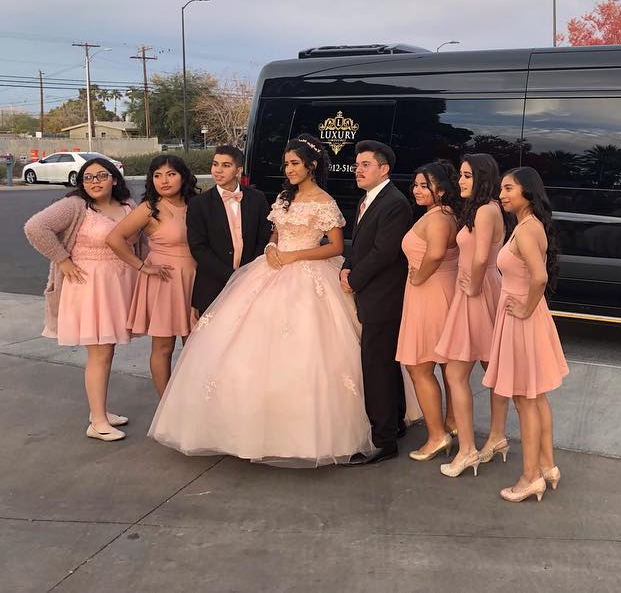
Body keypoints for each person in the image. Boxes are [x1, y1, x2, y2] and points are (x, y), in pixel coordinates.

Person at [148, 134, 372, 466]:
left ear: (311, 166)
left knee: (312, 353)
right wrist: (271, 248)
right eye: (286, 164)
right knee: (243, 346)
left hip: (309, 275)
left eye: (295, 163)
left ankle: (306, 435)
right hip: (270, 269)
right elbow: (275, 235)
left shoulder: (324, 201)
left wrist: (296, 257)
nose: (289, 169)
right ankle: (240, 428)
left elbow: (336, 247)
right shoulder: (283, 198)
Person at [24, 157, 143, 442]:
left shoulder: (127, 206)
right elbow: (35, 227)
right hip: (90, 287)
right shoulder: (76, 206)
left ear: (115, 178)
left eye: (101, 176)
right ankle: (98, 421)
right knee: (99, 352)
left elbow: (142, 241)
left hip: (120, 284)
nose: (94, 182)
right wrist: (62, 259)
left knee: (108, 348)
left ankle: (98, 411)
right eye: (88, 178)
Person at [483, 167, 569, 503]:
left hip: (522, 319)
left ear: (527, 192)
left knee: (524, 399)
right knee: (536, 396)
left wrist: (524, 309)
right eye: (501, 189)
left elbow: (539, 278)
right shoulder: (526, 225)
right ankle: (547, 467)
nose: (502, 194)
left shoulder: (527, 230)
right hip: (524, 317)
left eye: (508, 189)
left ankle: (530, 476)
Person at [339, 141, 415, 465]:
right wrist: (346, 265)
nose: (358, 169)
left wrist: (354, 280)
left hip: (384, 297)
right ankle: (395, 423)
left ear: (383, 169)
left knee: (376, 367)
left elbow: (385, 252)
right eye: (357, 164)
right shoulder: (368, 199)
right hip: (372, 293)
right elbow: (361, 244)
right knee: (385, 364)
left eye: (365, 164)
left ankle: (383, 441)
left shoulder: (394, 203)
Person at [435, 153, 509, 477]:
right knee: (493, 369)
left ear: (481, 177)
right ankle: (496, 437)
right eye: (461, 176)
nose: (461, 181)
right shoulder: (490, 208)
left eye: (467, 176)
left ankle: (468, 450)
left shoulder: (483, 210)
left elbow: (479, 259)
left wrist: (473, 288)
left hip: (477, 292)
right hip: (487, 289)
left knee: (455, 374)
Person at [106, 154, 198, 397]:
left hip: (195, 279)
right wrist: (142, 266)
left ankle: (195, 403)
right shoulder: (150, 208)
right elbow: (114, 239)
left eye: (170, 174)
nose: (164, 181)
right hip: (164, 280)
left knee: (196, 345)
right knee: (164, 346)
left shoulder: (196, 204)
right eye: (157, 176)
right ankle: (166, 405)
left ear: (183, 176)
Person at [396, 160, 460, 462]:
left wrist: (419, 276)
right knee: (446, 365)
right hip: (441, 293)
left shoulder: (438, 218)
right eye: (416, 184)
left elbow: (434, 253)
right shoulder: (447, 214)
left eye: (425, 185)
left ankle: (437, 436)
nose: (417, 190)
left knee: (419, 366)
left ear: (442, 190)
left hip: (430, 295)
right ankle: (451, 424)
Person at [186, 145, 272, 317]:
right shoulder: (199, 204)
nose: (218, 170)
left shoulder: (257, 198)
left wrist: (248, 272)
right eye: (215, 164)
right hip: (213, 285)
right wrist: (231, 276)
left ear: (238, 170)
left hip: (251, 283)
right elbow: (198, 248)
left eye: (226, 165)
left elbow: (263, 238)